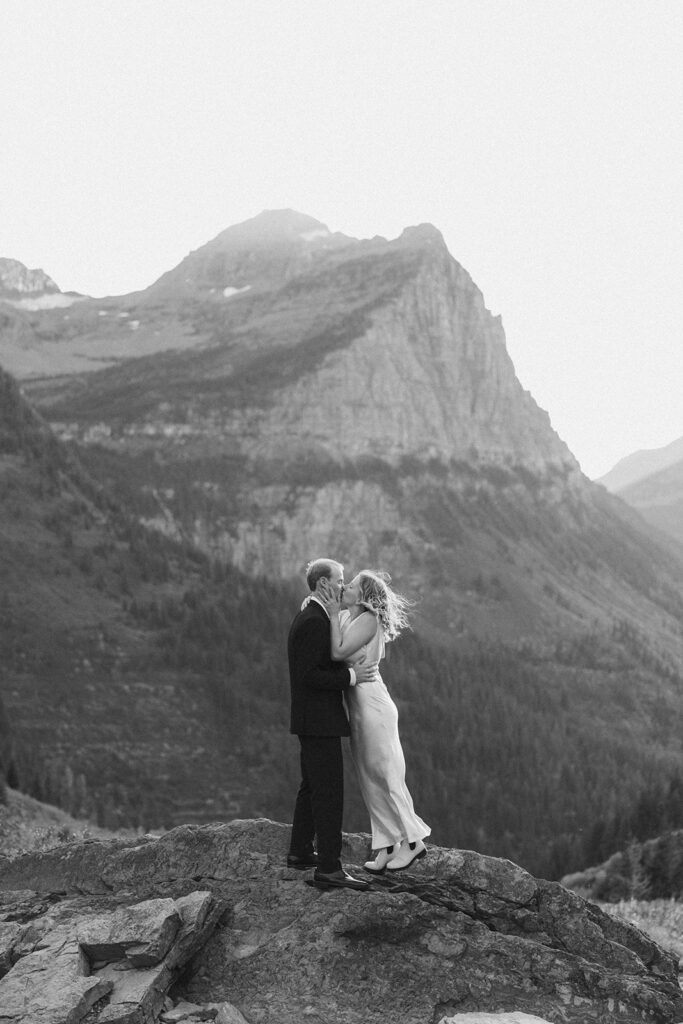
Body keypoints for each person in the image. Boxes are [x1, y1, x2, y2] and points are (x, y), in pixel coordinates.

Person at [321, 569, 430, 873]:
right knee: (368, 777)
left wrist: (331, 614)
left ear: (365, 596)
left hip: (373, 705)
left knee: (386, 773)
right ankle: (386, 844)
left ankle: (413, 841)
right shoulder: (346, 617)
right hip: (358, 706)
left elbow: (338, 650)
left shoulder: (368, 619)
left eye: (352, 585)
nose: (345, 587)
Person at [287, 557, 378, 891]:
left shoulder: (313, 614)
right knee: (328, 793)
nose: (343, 585)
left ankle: (299, 852)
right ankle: (328, 868)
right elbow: (310, 675)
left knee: (311, 787)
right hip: (319, 721)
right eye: (340, 580)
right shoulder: (313, 620)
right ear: (324, 584)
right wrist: (352, 676)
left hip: (311, 721)